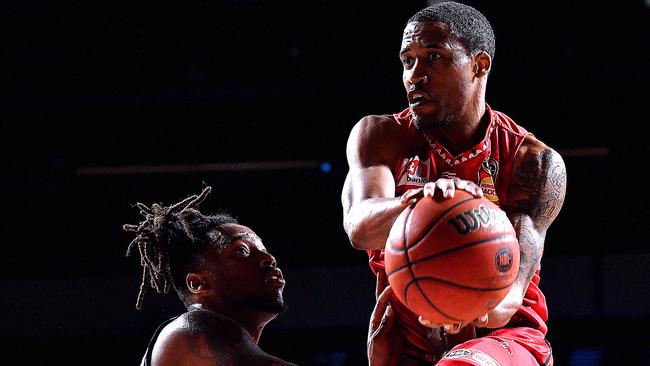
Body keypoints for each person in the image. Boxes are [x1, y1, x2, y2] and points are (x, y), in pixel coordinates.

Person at [342, 2, 567, 365]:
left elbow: (512, 292)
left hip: (501, 337)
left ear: (479, 65)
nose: (415, 75)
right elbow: (359, 227)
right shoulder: (381, 134)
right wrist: (420, 205)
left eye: (433, 57)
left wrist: (465, 309)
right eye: (408, 61)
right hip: (410, 338)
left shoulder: (533, 161)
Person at [123, 186, 296, 366]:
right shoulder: (192, 328)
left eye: (264, 250)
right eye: (242, 250)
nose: (269, 258)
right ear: (198, 283)